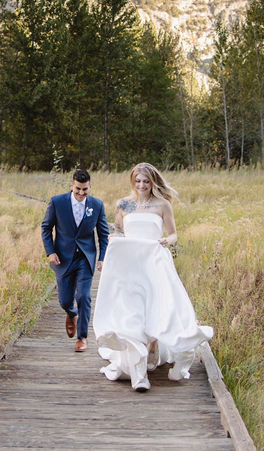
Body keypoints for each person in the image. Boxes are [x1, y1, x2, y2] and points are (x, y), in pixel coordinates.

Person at [92, 163, 212, 391]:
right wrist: (108, 259)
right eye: (138, 181)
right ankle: (139, 374)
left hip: (155, 261)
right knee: (132, 312)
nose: (142, 185)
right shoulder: (123, 204)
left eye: (146, 181)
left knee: (158, 308)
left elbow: (174, 233)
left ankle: (153, 347)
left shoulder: (163, 204)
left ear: (153, 182)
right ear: (132, 181)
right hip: (129, 264)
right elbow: (117, 232)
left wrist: (168, 241)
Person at [41, 168, 109, 352]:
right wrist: (50, 252)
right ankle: (71, 313)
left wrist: (103, 258)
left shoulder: (97, 205)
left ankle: (82, 337)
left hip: (85, 259)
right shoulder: (57, 202)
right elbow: (46, 228)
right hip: (62, 259)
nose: (81, 193)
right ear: (72, 185)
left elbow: (103, 234)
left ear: (90, 187)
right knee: (64, 300)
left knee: (84, 296)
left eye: (85, 189)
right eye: (78, 189)